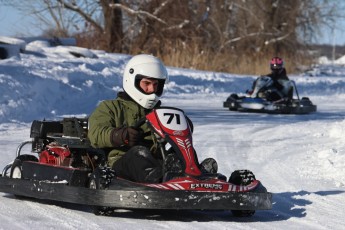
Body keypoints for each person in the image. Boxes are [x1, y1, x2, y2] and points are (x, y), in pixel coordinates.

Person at [88, 54, 216, 184]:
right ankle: (161, 182)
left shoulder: (159, 112)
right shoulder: (110, 107)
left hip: (156, 161)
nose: (152, 89)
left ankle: (195, 176)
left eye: (156, 84)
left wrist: (183, 126)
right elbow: (95, 134)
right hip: (121, 163)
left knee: (177, 154)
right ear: (132, 81)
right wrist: (122, 135)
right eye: (147, 84)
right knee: (138, 153)